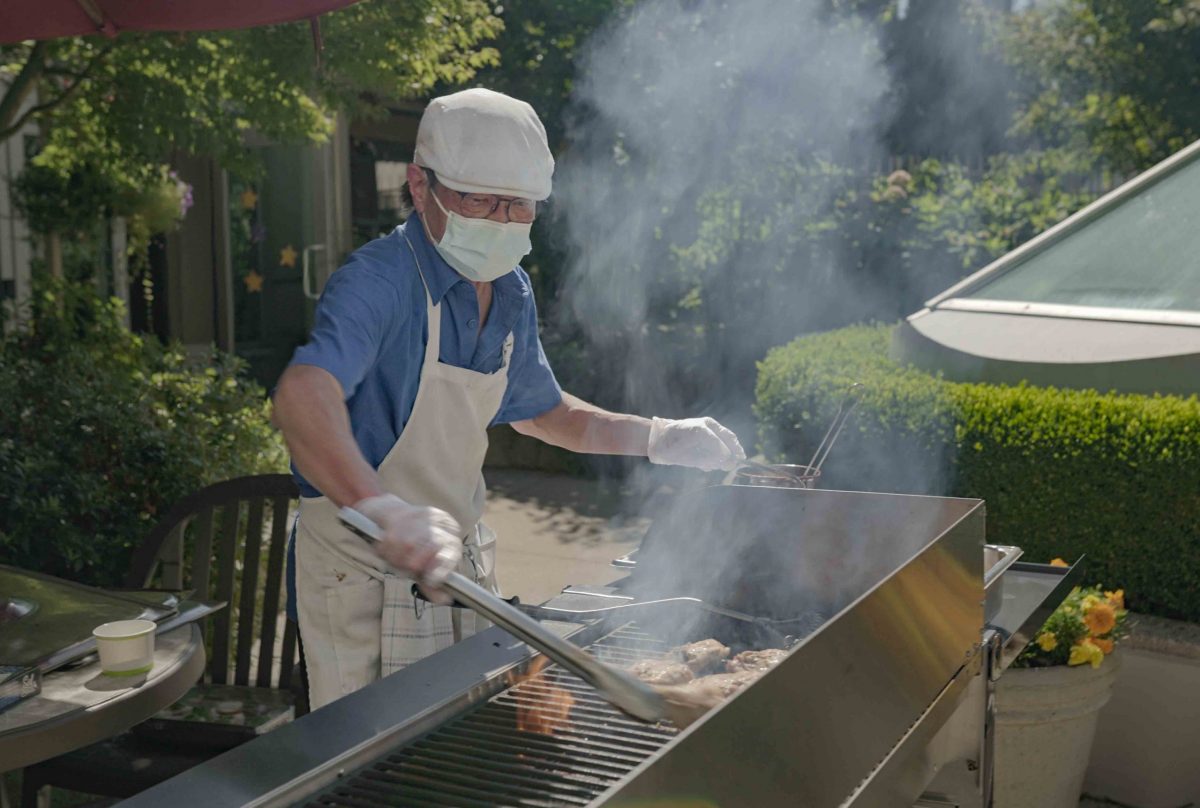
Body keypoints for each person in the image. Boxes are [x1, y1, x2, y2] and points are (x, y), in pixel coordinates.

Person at [272, 88, 746, 710]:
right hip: (361, 573)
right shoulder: (377, 282)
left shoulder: (510, 287)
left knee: (459, 737)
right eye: (478, 199)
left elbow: (548, 414)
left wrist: (658, 436)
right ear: (420, 186)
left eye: (518, 205)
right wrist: (382, 509)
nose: (499, 220)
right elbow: (303, 396)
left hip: (456, 565)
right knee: (378, 769)